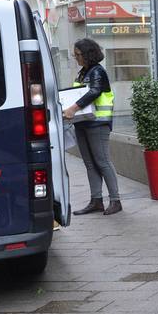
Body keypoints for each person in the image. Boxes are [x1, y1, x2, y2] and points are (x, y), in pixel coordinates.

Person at [62, 38, 122, 216]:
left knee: (102, 162)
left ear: (87, 54)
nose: (76, 58)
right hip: (83, 122)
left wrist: (73, 108)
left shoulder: (97, 71)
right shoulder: (83, 72)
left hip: (97, 123)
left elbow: (94, 91)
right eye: (75, 55)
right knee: (89, 163)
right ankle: (96, 201)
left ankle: (115, 200)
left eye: (78, 55)